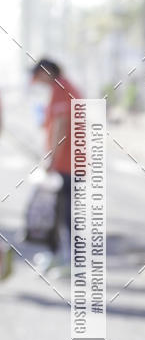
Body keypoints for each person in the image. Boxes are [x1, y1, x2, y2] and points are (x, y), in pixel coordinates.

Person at [30, 58, 82, 266]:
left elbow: (61, 126)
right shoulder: (64, 87)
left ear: (46, 72)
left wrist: (51, 158)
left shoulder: (61, 89)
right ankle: (64, 256)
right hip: (70, 161)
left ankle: (68, 259)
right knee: (63, 211)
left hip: (66, 163)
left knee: (63, 212)